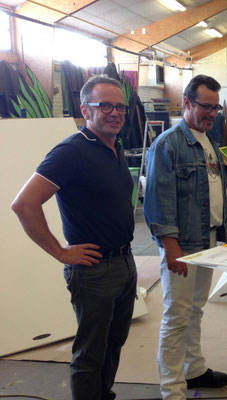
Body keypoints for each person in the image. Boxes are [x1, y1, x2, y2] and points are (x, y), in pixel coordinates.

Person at [11, 75, 137, 400]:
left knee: (113, 343)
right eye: (105, 105)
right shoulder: (72, 151)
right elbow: (24, 204)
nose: (115, 112)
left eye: (120, 106)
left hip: (124, 261)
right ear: (85, 109)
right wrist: (60, 252)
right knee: (90, 353)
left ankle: (102, 395)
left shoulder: (115, 147)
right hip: (94, 271)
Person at [143, 74, 227, 400]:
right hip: (181, 246)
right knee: (176, 316)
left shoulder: (210, 142)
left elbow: (214, 192)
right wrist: (170, 245)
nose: (211, 113)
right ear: (186, 103)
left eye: (216, 107)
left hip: (207, 241)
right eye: (204, 106)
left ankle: (194, 369)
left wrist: (225, 234)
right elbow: (157, 200)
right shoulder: (167, 145)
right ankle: (172, 391)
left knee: (196, 310)